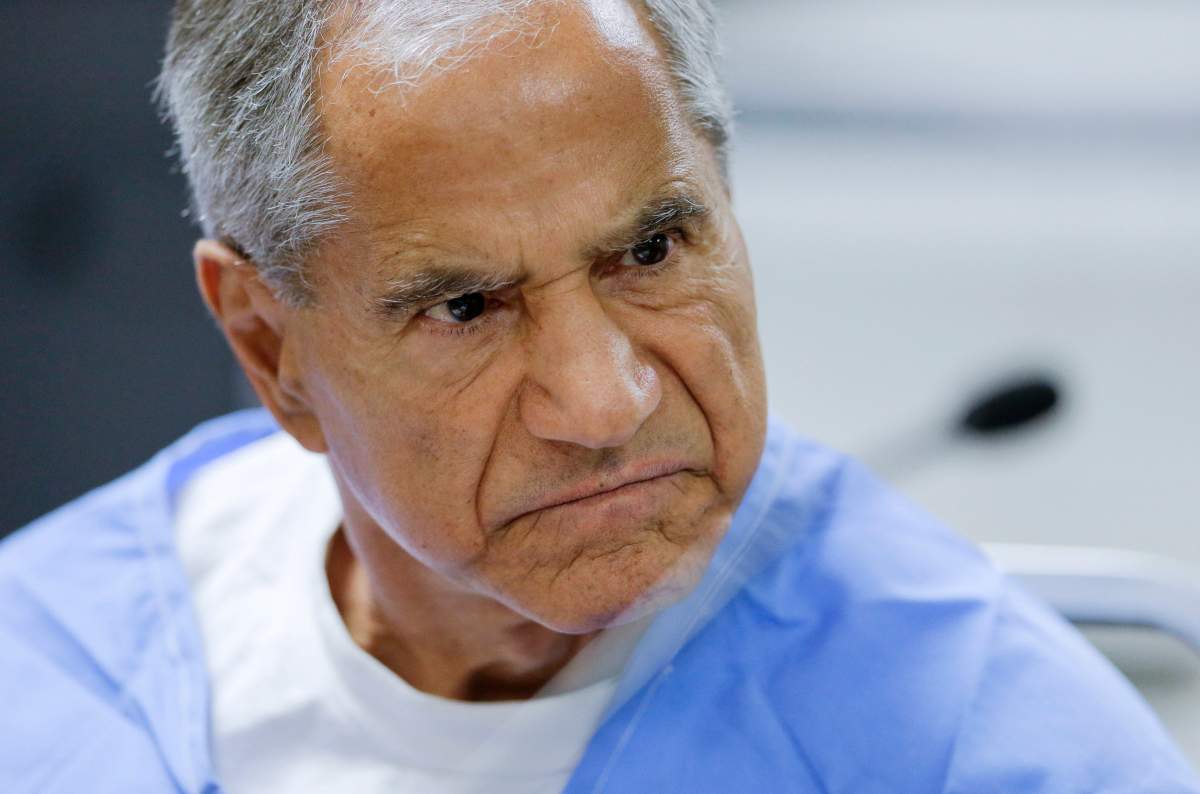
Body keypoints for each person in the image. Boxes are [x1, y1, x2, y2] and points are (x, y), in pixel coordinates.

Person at [1, 1, 1196, 792]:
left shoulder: (989, 744)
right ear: (272, 349)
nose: (605, 398)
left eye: (655, 248)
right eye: (464, 306)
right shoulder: (49, 673)